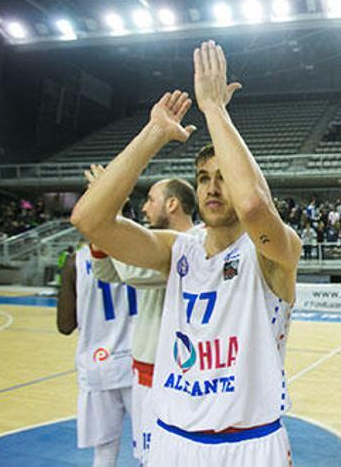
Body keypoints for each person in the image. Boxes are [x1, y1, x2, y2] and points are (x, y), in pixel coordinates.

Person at [71, 40, 301, 466]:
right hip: (171, 439)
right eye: (203, 178)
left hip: (248, 443)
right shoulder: (179, 248)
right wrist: (153, 134)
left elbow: (252, 205)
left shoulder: (274, 251)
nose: (212, 187)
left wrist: (214, 108)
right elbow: (89, 221)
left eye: (223, 177)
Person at [87, 171, 197, 466]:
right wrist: (104, 228)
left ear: (172, 204)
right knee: (148, 457)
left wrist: (110, 214)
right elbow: (107, 273)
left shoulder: (188, 244)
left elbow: (132, 272)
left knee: (162, 458)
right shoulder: (159, 242)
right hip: (145, 368)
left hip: (169, 373)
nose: (145, 208)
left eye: (151, 200)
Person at [57, 243, 135, 467]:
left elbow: (65, 325)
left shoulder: (75, 261)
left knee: (105, 451)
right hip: (138, 364)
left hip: (97, 366)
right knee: (150, 447)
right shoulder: (140, 250)